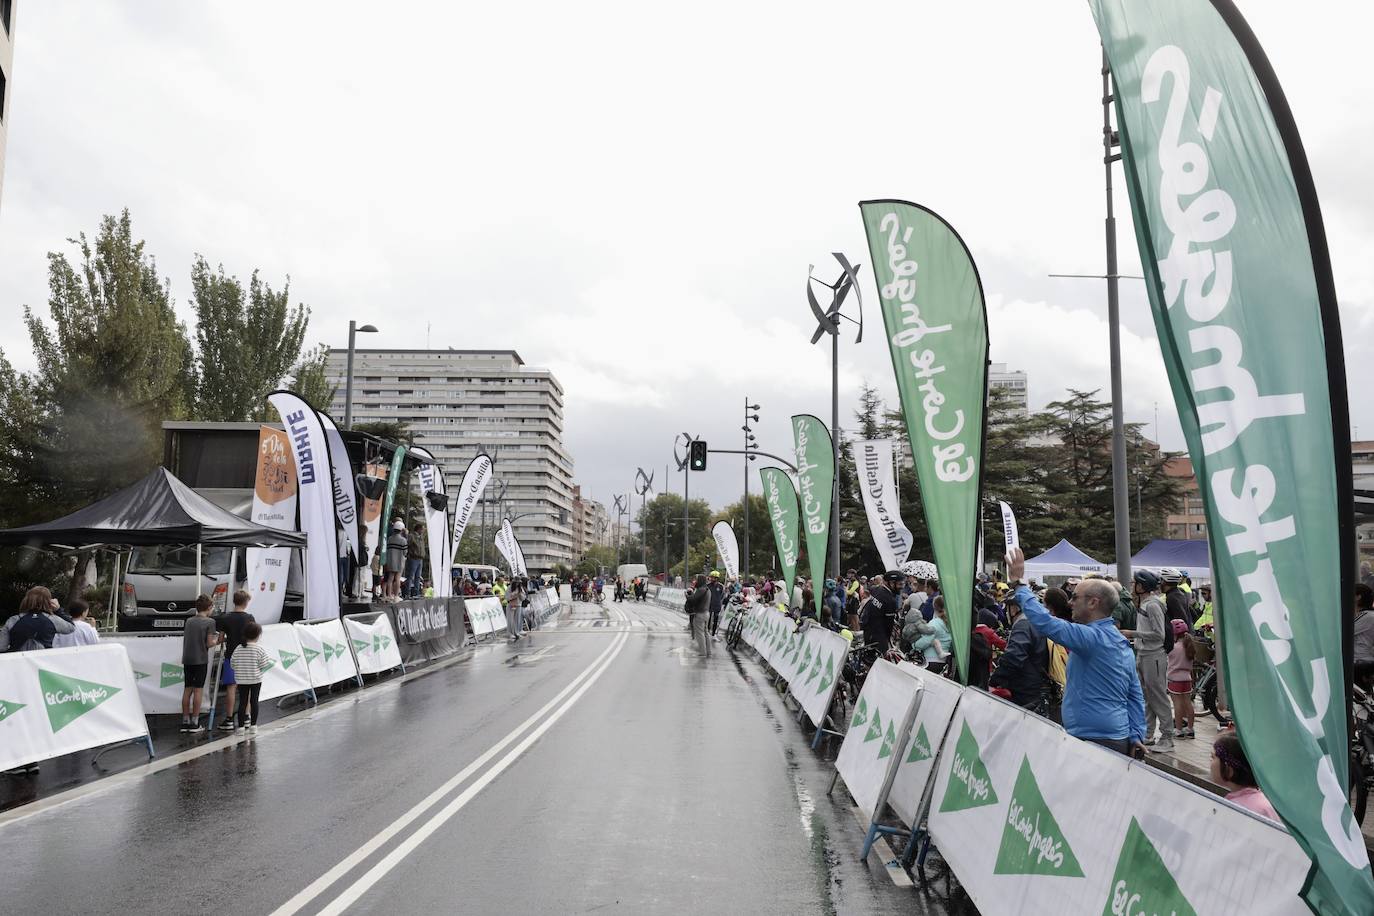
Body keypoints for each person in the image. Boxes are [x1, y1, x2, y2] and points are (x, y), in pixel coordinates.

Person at [1005, 547, 1145, 758]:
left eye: (1075, 597)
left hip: (1092, 739)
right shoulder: (1117, 640)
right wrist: (1136, 734)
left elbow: (1046, 623)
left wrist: (1019, 584)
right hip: (1113, 737)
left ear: (1093, 602)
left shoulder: (1092, 639)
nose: (1069, 602)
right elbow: (1135, 694)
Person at [1125, 569, 1174, 752]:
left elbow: (1158, 634)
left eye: (1135, 583)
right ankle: (1148, 734)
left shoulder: (1152, 605)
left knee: (1158, 696)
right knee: (1148, 696)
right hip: (1145, 654)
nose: (1132, 585)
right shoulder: (1146, 603)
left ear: (1142, 586)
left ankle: (1167, 737)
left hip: (1153, 655)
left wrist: (1133, 634)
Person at [990, 588, 1052, 713]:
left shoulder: (1023, 624)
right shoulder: (1037, 621)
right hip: (1038, 682)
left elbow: (1013, 656)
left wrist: (996, 679)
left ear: (1013, 608)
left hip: (1024, 687)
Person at [1210, 733, 1280, 822]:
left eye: (1213, 757)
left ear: (1229, 769)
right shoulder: (1264, 802)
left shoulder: (1240, 809)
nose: (1211, 762)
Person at [214, 590, 255, 730]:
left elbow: (220, 639)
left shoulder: (225, 618)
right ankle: (247, 717)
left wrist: (227, 638)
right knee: (246, 688)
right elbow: (253, 637)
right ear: (246, 602)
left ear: (234, 601)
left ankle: (229, 719)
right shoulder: (250, 618)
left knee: (231, 688)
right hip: (247, 656)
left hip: (231, 656)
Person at [181, 595, 221, 733]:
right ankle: (195, 722)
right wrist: (219, 640)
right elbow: (210, 643)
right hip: (200, 659)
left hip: (187, 658)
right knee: (198, 690)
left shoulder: (189, 621)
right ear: (209, 607)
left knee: (187, 689)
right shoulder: (210, 622)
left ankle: (185, 720)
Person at [2, 587, 76, 652]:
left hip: (18, 663)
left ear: (26, 600)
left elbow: (2, 646)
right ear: (49, 602)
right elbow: (71, 627)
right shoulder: (52, 619)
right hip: (43, 662)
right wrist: (58, 610)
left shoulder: (14, 620)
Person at [230, 621, 270, 736]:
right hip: (256, 679)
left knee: (242, 702)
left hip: (241, 680)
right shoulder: (259, 649)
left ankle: (241, 727)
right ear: (258, 636)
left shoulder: (238, 648)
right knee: (254, 701)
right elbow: (264, 664)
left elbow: (232, 664)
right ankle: (253, 726)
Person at [1167, 619, 1197, 738]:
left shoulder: (1173, 648)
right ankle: (1190, 728)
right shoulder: (1189, 647)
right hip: (1187, 679)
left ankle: (1178, 729)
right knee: (1188, 704)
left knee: (1177, 704)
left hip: (1175, 680)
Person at [861, 572, 902, 650]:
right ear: (890, 583)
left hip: (868, 631)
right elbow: (889, 625)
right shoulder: (890, 600)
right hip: (879, 637)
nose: (901, 587)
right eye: (899, 584)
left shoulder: (876, 589)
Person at [912, 597, 952, 673]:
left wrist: (914, 643)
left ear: (934, 607)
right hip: (944, 663)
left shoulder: (934, 624)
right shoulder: (951, 624)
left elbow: (923, 643)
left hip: (929, 661)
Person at [686, 574, 711, 657]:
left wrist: (687, 595)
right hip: (706, 613)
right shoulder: (707, 589)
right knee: (706, 632)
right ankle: (708, 651)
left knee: (699, 633)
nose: (695, 581)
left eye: (696, 580)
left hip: (700, 614)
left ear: (700, 580)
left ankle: (702, 652)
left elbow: (693, 599)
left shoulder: (701, 589)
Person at [385, 520, 408, 601]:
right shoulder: (403, 540)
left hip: (390, 561)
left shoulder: (390, 538)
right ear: (401, 530)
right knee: (397, 578)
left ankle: (389, 595)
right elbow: (405, 552)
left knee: (390, 578)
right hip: (399, 561)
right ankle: (396, 596)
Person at [1354, 584, 1374, 666]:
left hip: (1360, 661)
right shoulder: (1367, 615)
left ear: (1358, 597)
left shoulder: (1367, 616)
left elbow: (1344, 631)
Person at [406, 523, 427, 599]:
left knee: (418, 577)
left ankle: (416, 593)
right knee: (411, 576)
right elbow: (407, 545)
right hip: (413, 558)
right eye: (422, 529)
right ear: (419, 529)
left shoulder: (421, 537)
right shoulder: (412, 536)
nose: (423, 531)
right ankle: (407, 593)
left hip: (420, 559)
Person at [706, 572, 726, 637]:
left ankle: (713, 633)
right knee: (708, 618)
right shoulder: (708, 586)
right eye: (711, 577)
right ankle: (708, 630)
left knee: (715, 619)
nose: (711, 579)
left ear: (716, 578)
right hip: (709, 604)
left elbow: (722, 595)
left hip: (717, 605)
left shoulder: (721, 586)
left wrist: (719, 602)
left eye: (712, 577)